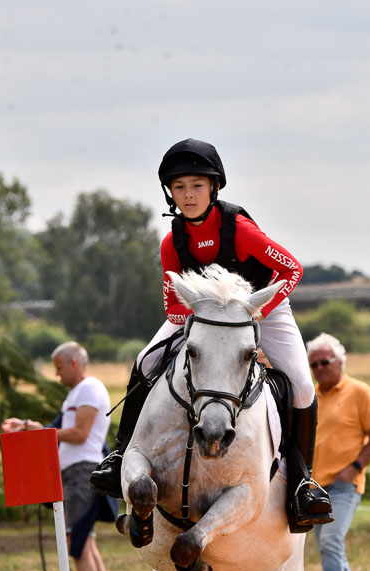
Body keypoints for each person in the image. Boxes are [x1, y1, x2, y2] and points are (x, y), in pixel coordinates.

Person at [90, 137, 333, 531]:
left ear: (214, 188)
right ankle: (119, 456)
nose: (188, 195)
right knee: (145, 360)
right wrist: (204, 323)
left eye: (196, 186)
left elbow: (292, 270)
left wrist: (255, 314)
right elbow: (173, 307)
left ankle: (303, 483)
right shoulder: (172, 241)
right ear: (170, 192)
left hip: (259, 306)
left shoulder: (239, 228)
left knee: (303, 386)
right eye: (179, 187)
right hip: (202, 312)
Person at [1, 342, 115, 571]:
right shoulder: (77, 393)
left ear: (74, 363)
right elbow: (58, 427)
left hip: (80, 472)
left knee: (76, 543)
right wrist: (26, 425)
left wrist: (48, 433)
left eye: (59, 367)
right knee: (86, 543)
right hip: (75, 472)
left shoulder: (89, 388)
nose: (56, 374)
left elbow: (78, 433)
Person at [307, 333, 370, 571]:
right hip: (314, 487)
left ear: (340, 362)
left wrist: (354, 469)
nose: (319, 369)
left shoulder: (359, 391)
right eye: (313, 365)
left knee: (330, 542)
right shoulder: (309, 396)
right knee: (332, 550)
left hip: (344, 485)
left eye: (325, 362)